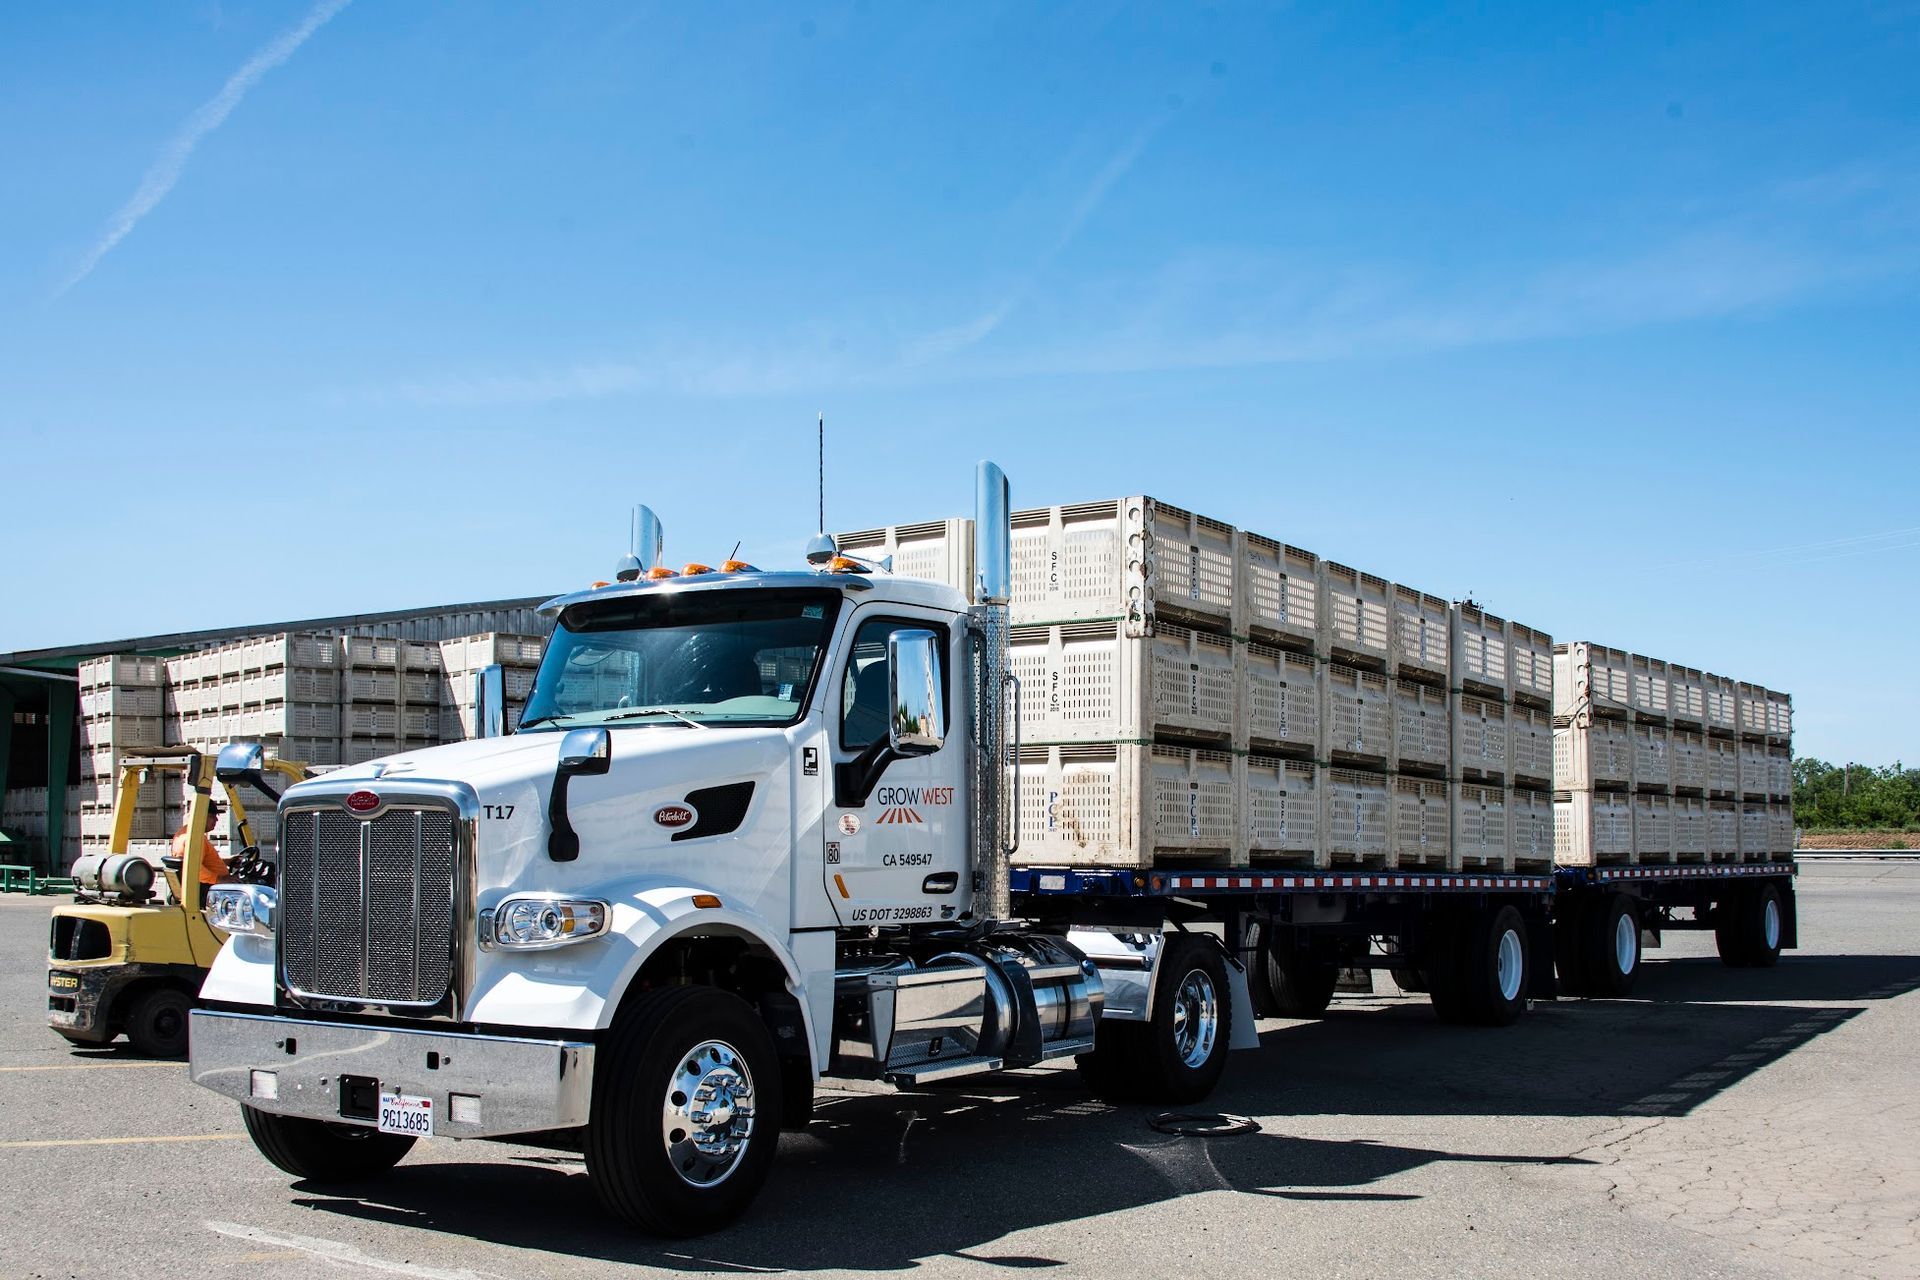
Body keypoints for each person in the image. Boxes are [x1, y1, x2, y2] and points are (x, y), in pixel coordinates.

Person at [171, 799, 228, 886]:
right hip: (208, 889)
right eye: (212, 816)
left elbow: (200, 862)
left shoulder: (183, 833)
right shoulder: (194, 839)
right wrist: (219, 879)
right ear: (201, 816)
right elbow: (194, 868)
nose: (216, 819)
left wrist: (229, 861)